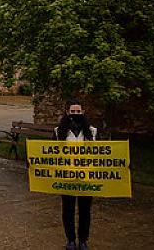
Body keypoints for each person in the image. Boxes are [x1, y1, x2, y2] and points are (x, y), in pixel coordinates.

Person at [56, 98, 97, 250]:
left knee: (85, 211)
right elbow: (50, 154)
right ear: (67, 112)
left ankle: (84, 240)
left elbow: (101, 155)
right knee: (68, 210)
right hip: (66, 177)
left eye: (78, 111)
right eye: (72, 111)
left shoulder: (92, 132)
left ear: (83, 112)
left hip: (86, 177)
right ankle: (71, 240)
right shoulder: (59, 131)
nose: (75, 113)